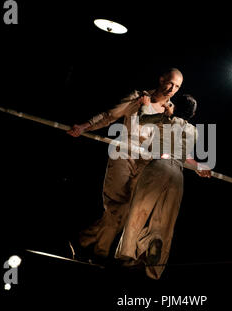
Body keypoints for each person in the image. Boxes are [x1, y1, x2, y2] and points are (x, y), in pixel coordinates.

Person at [66, 68, 183, 261]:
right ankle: (98, 253)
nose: (172, 89)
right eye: (170, 83)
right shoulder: (138, 98)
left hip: (145, 164)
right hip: (123, 154)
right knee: (117, 206)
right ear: (161, 79)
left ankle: (83, 242)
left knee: (127, 210)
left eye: (177, 86)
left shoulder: (171, 111)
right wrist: (85, 126)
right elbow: (109, 115)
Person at [115, 94, 211, 279]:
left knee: (139, 212)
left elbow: (142, 120)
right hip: (177, 174)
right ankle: (153, 264)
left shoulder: (165, 120)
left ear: (175, 107)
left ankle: (126, 255)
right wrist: (199, 166)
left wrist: (144, 105)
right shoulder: (194, 131)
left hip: (158, 167)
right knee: (165, 221)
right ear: (193, 113)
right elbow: (184, 156)